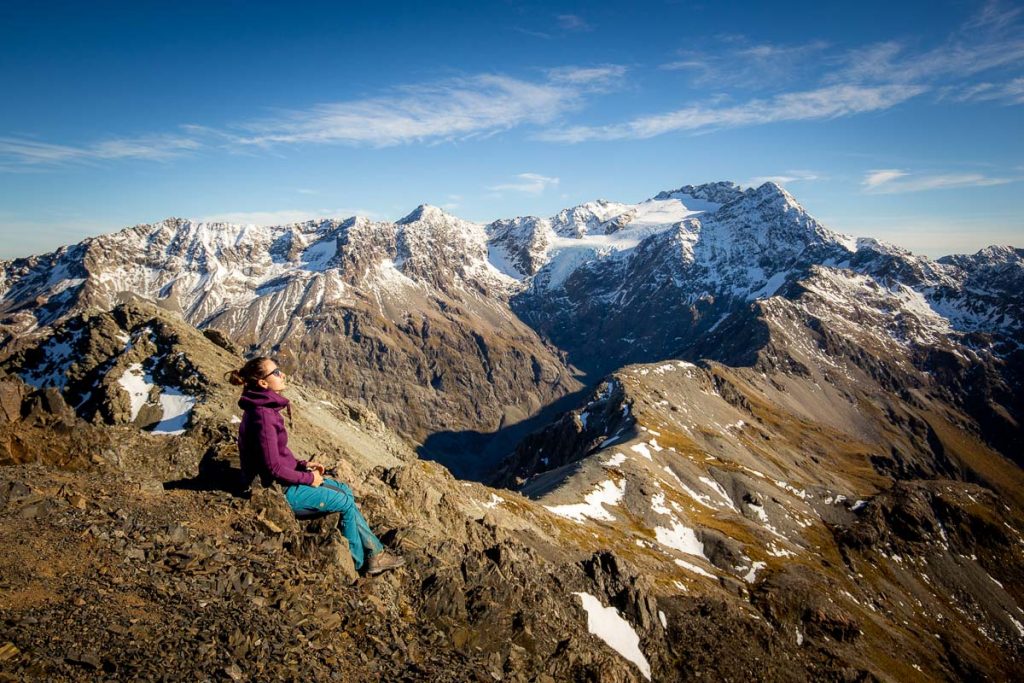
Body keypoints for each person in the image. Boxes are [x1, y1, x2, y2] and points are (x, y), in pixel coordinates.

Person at [227, 357, 405, 575]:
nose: (282, 375)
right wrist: (309, 479)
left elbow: (275, 456)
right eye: (276, 372)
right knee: (345, 501)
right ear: (263, 383)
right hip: (275, 492)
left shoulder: (263, 408)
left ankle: (374, 553)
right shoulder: (263, 416)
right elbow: (273, 467)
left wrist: (302, 465)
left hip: (277, 484)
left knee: (345, 491)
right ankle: (359, 564)